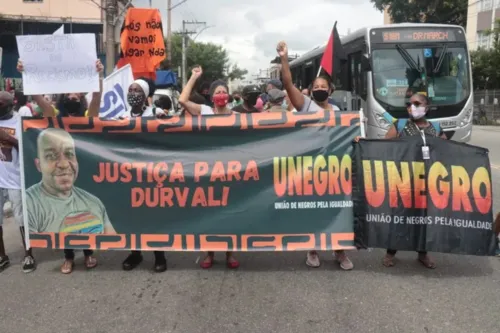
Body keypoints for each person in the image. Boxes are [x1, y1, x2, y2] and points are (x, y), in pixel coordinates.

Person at [18, 58, 107, 273]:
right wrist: (26, 73)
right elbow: (39, 99)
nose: (73, 97)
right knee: (62, 218)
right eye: (69, 95)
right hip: (60, 175)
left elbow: (97, 97)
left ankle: (87, 254)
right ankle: (68, 257)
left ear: (82, 98)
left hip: (80, 173)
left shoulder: (88, 116)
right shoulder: (55, 117)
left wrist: (99, 76)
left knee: (82, 215)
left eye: (77, 94)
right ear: (63, 98)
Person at [277, 40, 353, 270]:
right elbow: (288, 83)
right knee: (315, 207)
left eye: (324, 86)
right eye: (316, 85)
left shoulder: (339, 112)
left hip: (336, 167)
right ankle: (313, 249)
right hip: (311, 166)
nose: (320, 88)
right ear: (312, 90)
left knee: (337, 208)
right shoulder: (307, 105)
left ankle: (339, 251)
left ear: (330, 90)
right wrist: (284, 58)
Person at [355, 93, 445, 269]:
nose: (413, 107)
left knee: (425, 218)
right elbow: (382, 146)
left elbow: (446, 150)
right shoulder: (401, 125)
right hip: (403, 181)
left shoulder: (435, 127)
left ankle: (423, 253)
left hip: (427, 183)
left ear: (426, 107)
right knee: (400, 217)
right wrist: (364, 142)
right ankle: (390, 252)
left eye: (417, 104)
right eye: (410, 104)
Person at [26, 129, 117, 273]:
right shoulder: (30, 202)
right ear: (38, 165)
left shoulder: (93, 202)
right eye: (51, 156)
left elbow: (112, 239)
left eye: (69, 154)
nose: (63, 164)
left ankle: (88, 255)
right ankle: (68, 258)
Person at [178, 66, 239, 269]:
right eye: (217, 92)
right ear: (211, 97)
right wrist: (194, 77)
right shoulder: (203, 111)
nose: (221, 95)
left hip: (230, 172)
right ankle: (209, 254)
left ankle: (230, 254)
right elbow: (182, 101)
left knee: (231, 213)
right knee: (209, 214)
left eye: (224, 92)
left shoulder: (237, 116)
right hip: (207, 172)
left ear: (228, 96)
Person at [120, 78, 168, 273]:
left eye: (137, 90)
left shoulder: (156, 114)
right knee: (132, 215)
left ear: (146, 94)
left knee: (154, 215)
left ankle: (159, 255)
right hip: (130, 174)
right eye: (130, 89)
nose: (133, 93)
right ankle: (135, 252)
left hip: (152, 173)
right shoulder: (123, 116)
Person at [0, 91, 36, 273]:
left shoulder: (19, 121)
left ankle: (28, 253)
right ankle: (2, 256)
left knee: (21, 218)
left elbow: (29, 147)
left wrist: (9, 139)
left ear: (10, 105)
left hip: (15, 178)